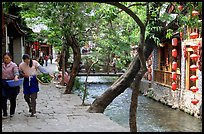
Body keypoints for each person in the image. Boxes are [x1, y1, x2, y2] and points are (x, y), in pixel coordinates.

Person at [2, 52, 20, 119]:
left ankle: (12, 112)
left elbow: (16, 72)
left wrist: (16, 77)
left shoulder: (14, 65)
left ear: (10, 58)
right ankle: (4, 113)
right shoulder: (2, 65)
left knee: (12, 99)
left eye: (7, 58)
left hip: (12, 83)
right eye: (4, 58)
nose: (5, 59)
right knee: (3, 98)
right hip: (3, 83)